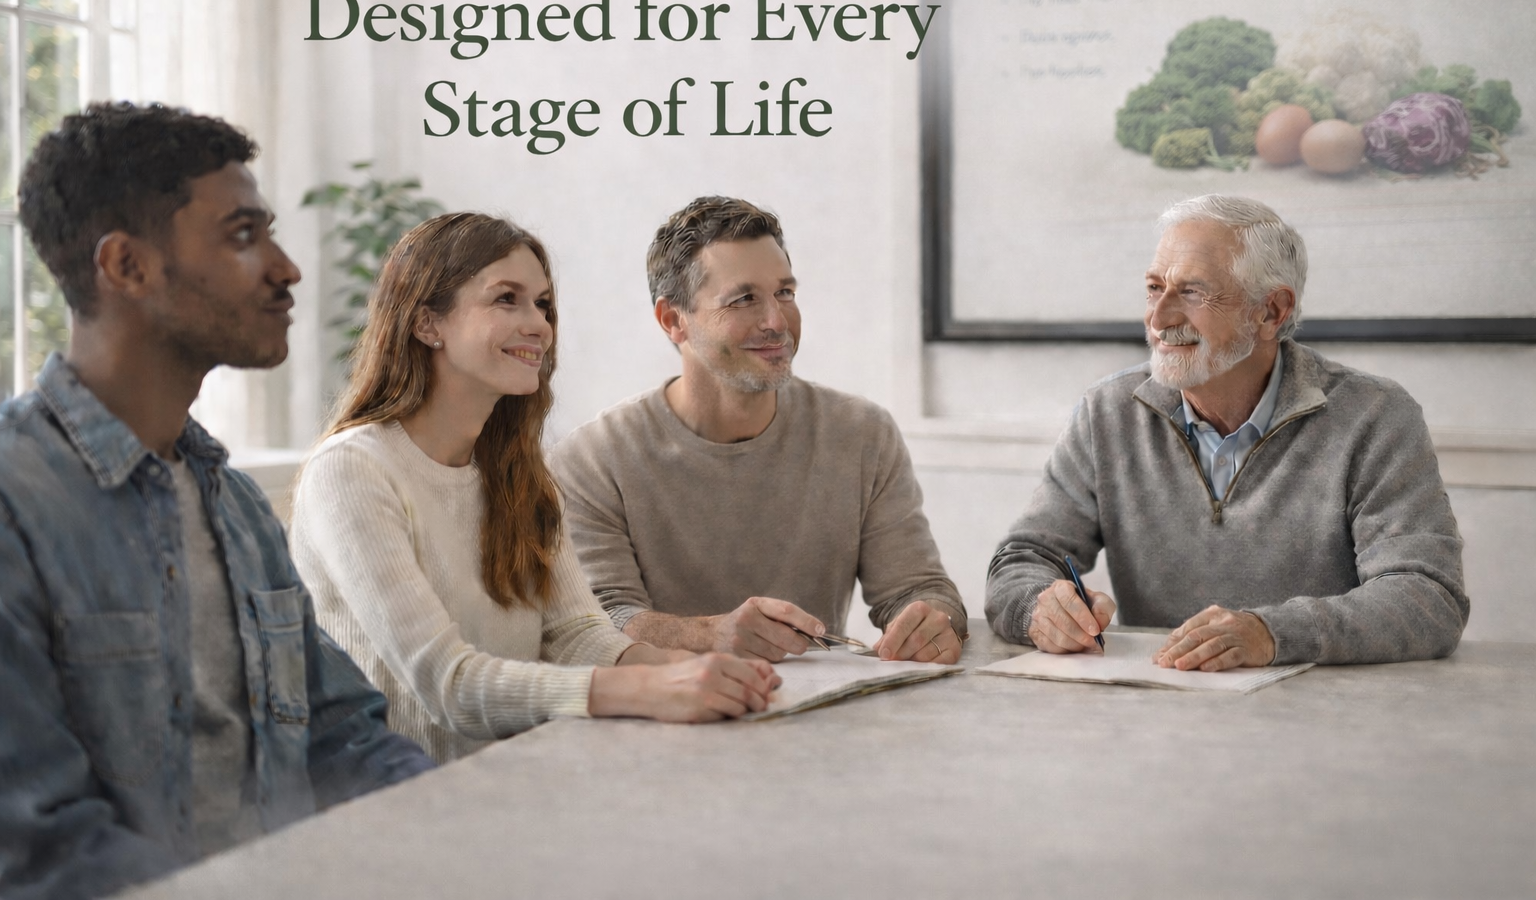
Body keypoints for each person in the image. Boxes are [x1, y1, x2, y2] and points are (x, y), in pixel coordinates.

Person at [0, 103, 434, 899]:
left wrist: (460, 827)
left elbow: (344, 736)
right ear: (127, 266)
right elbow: (38, 846)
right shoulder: (14, 504)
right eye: (243, 235)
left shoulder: (231, 503)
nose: (286, 268)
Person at [288, 212, 779, 765]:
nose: (540, 325)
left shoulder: (520, 474)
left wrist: (691, 673)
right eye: (507, 299)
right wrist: (648, 691)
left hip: (515, 779)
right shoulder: (351, 472)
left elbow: (575, 635)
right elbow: (448, 686)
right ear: (428, 324)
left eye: (543, 304)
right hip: (400, 804)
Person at [985, 194, 1469, 669]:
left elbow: (1427, 598)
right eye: (1155, 288)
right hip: (1153, 714)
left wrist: (1271, 634)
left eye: (1192, 292)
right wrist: (1037, 607)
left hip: (1321, 721)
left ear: (1272, 312)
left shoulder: (1375, 416)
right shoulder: (1106, 413)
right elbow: (1024, 559)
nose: (1159, 319)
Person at [551, 196, 968, 664]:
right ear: (674, 321)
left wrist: (934, 619)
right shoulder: (592, 457)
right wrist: (710, 635)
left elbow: (917, 588)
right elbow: (598, 619)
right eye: (744, 299)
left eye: (785, 293)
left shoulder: (863, 434)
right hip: (658, 720)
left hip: (817, 719)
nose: (777, 322)